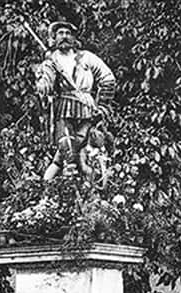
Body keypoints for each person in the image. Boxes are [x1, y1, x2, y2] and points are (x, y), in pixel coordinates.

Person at [35, 20, 116, 181]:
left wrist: (102, 105)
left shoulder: (86, 57)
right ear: (54, 37)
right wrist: (43, 83)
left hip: (87, 109)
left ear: (73, 38)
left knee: (83, 150)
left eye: (68, 33)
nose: (64, 36)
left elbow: (108, 78)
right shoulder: (51, 62)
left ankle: (52, 184)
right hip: (64, 109)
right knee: (67, 149)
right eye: (60, 33)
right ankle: (54, 188)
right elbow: (47, 84)